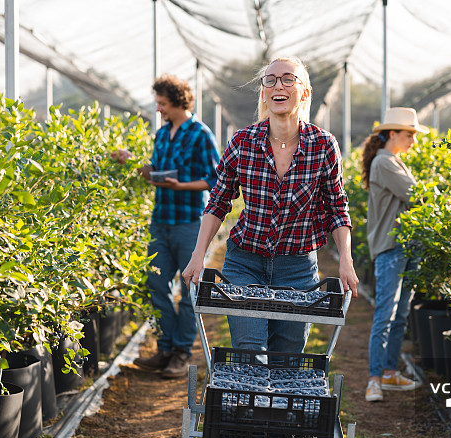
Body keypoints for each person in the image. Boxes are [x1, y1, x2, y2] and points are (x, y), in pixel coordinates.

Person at [181, 56, 358, 354]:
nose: (279, 85)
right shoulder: (242, 142)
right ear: (264, 91)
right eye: (271, 80)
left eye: (289, 79)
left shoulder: (323, 145)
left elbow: (337, 208)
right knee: (250, 351)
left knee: (286, 358)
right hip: (245, 262)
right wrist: (199, 255)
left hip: (297, 269)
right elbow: (219, 202)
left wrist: (346, 260)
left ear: (304, 92)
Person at [116, 74, 220, 378]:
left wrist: (182, 186)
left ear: (177, 101)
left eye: (162, 103)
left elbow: (215, 180)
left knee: (190, 287)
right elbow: (155, 173)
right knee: (156, 285)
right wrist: (133, 162)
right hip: (160, 221)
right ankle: (164, 348)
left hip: (189, 222)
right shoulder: (162, 135)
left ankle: (181, 351)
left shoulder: (201, 134)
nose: (159, 109)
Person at [362, 107, 427, 402]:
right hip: (391, 246)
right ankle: (374, 379)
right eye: (408, 134)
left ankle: (389, 373)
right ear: (391, 134)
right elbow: (418, 196)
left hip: (406, 245)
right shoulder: (385, 162)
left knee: (400, 314)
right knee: (386, 314)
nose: (413, 139)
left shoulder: (395, 161)